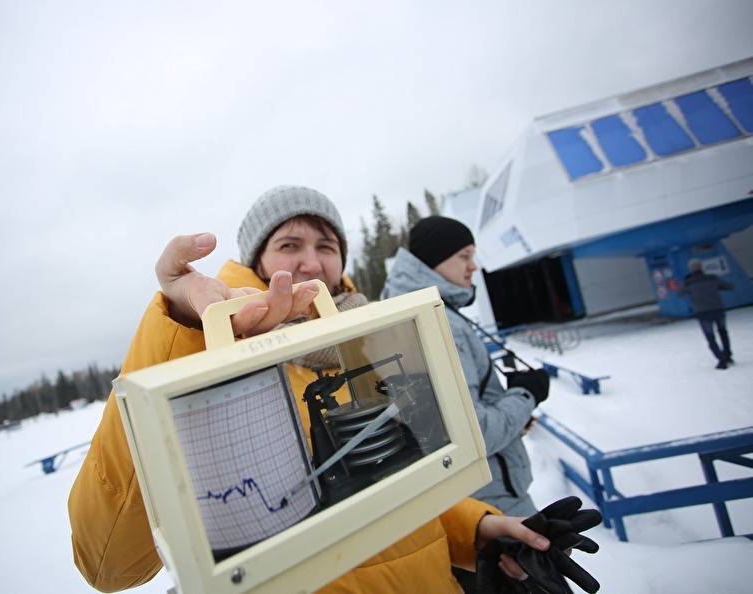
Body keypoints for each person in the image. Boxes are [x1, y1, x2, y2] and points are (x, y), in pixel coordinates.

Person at [67, 187, 559, 594]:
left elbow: (396, 485)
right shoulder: (211, 365)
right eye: (288, 245)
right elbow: (109, 565)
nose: (310, 262)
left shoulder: (370, 342)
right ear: (257, 260)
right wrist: (181, 333)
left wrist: (474, 528)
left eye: (326, 246)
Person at [381, 215, 550, 518]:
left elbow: (440, 419)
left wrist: (507, 410)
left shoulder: (409, 310)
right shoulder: (437, 320)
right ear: (435, 260)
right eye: (464, 257)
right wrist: (525, 396)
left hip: (469, 498)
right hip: (491, 500)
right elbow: (475, 434)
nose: (473, 266)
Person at [678, 257, 734, 369]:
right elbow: (729, 287)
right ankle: (727, 355)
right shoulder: (712, 278)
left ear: (691, 269)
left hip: (703, 312)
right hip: (718, 309)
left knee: (710, 337)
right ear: (701, 267)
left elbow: (681, 293)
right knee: (723, 332)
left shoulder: (689, 282)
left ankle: (721, 359)